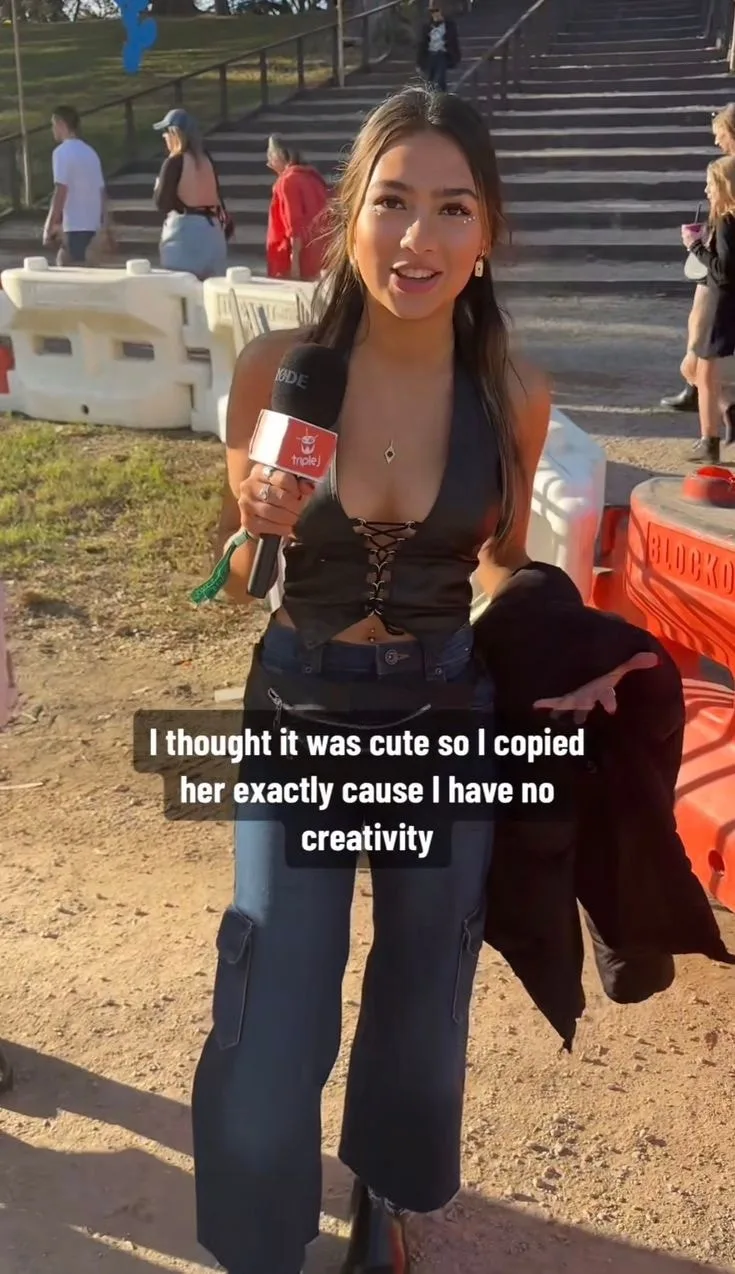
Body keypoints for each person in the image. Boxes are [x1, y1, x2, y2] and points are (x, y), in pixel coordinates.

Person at [190, 86, 656, 1274]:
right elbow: (241, 581)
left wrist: (564, 652)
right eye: (393, 202)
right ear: (350, 212)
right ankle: (259, 1242)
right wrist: (254, 527)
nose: (419, 237)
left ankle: (385, 1203)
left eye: (453, 208)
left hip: (444, 714)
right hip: (299, 706)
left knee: (422, 987)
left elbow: (500, 563)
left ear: (488, 230)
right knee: (273, 990)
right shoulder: (278, 371)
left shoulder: (514, 394)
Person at [661, 103, 735, 421]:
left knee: (705, 325)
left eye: (721, 134)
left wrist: (697, 245)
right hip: (718, 251)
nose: (717, 141)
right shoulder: (725, 167)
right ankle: (699, 387)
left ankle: (706, 391)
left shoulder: (728, 169)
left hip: (723, 262)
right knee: (698, 320)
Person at [681, 154, 735, 462]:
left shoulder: (726, 221)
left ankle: (709, 441)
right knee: (705, 372)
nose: (706, 191)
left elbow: (723, 270)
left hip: (721, 302)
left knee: (705, 373)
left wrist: (695, 246)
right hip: (727, 302)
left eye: (710, 185)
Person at [153, 108, 231, 281]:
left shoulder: (174, 162)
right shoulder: (207, 160)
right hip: (212, 230)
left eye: (166, 132)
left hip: (185, 232)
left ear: (175, 134)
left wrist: (158, 187)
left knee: (181, 289)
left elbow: (162, 203)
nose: (164, 137)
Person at [43, 106, 112, 266]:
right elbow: (101, 192)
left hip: (75, 225)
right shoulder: (91, 152)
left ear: (61, 124)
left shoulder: (61, 152)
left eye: (53, 125)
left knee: (67, 268)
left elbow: (61, 190)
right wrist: (106, 224)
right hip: (93, 225)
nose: (53, 130)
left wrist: (49, 224)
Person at [265, 135, 331, 280]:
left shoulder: (287, 181)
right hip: (320, 254)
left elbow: (294, 225)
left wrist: (294, 265)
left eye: (270, 156)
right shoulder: (312, 177)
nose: (268, 163)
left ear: (279, 155)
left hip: (297, 259)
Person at [416, 4, 461, 93]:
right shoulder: (427, 26)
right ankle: (433, 94)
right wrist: (419, 62)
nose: (435, 14)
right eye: (432, 12)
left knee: (439, 78)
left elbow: (454, 42)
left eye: (437, 11)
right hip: (430, 54)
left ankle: (439, 93)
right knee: (429, 79)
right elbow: (422, 44)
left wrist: (456, 56)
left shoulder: (449, 26)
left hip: (442, 54)